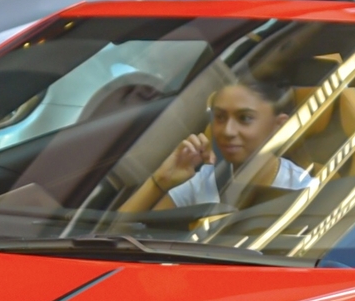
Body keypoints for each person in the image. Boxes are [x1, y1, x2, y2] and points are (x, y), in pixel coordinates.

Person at [125, 77, 312, 212]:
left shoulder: (304, 191)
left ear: (279, 126)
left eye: (245, 118)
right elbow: (119, 236)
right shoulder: (204, 180)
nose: (227, 131)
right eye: (220, 117)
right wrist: (159, 181)